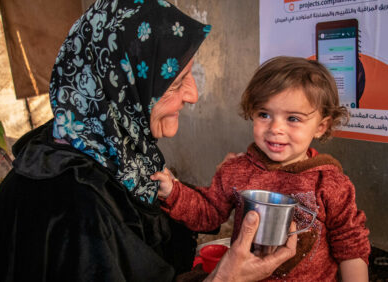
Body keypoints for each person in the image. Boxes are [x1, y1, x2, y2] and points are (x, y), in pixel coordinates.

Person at [0, 1, 296, 281]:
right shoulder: (74, 206)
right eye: (177, 83)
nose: (193, 95)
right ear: (122, 88)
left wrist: (213, 192)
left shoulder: (108, 148)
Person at [152, 56, 371, 281]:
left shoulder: (329, 182)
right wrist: (173, 192)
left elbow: (351, 247)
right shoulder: (236, 170)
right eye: (264, 115)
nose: (275, 128)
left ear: (321, 127)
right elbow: (208, 213)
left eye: (293, 118)